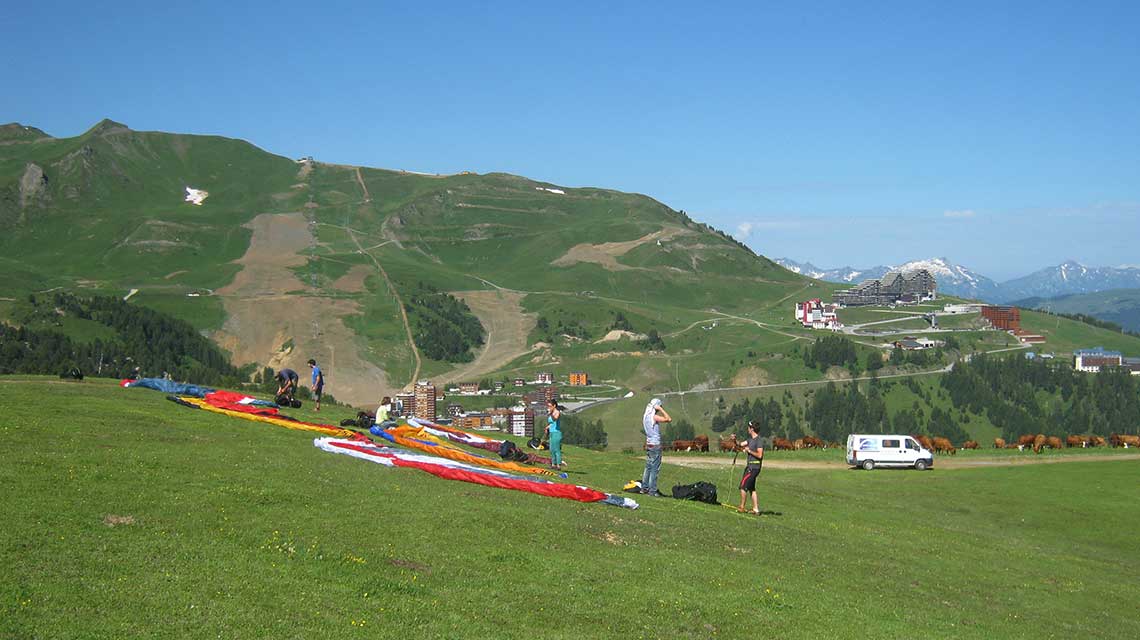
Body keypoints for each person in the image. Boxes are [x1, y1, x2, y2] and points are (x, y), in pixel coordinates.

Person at [641, 398, 670, 496]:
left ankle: (644, 488)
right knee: (655, 468)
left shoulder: (645, 416)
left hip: (649, 443)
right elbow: (668, 419)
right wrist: (661, 410)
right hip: (655, 445)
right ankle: (652, 491)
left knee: (648, 466)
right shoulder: (654, 417)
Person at [738, 420, 764, 515]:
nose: (747, 429)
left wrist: (749, 451)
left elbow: (760, 455)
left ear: (752, 429)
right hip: (750, 467)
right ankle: (756, 509)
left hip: (754, 467)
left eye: (749, 427)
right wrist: (733, 440)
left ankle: (742, 507)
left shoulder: (759, 440)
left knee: (743, 486)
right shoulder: (750, 440)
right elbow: (739, 445)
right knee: (751, 488)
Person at [544, 399, 563, 471]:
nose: (549, 407)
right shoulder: (551, 412)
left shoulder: (557, 412)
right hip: (552, 432)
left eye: (550, 406)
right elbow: (552, 423)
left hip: (556, 433)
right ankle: (553, 464)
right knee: (551, 449)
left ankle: (558, 465)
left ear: (554, 405)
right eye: (548, 406)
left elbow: (555, 419)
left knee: (556, 449)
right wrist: (547, 427)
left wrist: (551, 414)